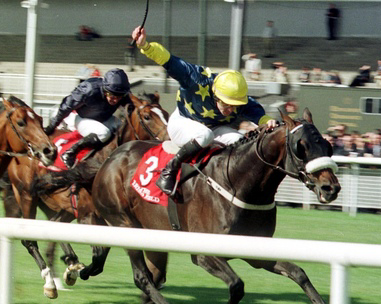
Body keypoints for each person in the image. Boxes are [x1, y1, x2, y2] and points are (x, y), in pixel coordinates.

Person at [131, 26, 278, 196]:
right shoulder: (196, 78)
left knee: (239, 141)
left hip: (211, 128)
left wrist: (266, 120)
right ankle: (168, 171)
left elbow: (256, 111)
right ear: (215, 95)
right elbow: (169, 60)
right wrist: (145, 46)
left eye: (235, 106)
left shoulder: (238, 100)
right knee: (205, 135)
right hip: (183, 122)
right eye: (227, 104)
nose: (231, 110)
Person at [43, 68, 132, 168]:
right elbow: (66, 107)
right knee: (104, 133)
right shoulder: (89, 89)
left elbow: (132, 109)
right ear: (105, 89)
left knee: (125, 128)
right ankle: (71, 152)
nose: (115, 100)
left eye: (119, 97)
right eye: (112, 95)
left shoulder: (123, 92)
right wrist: (52, 126)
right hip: (82, 119)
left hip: (104, 119)